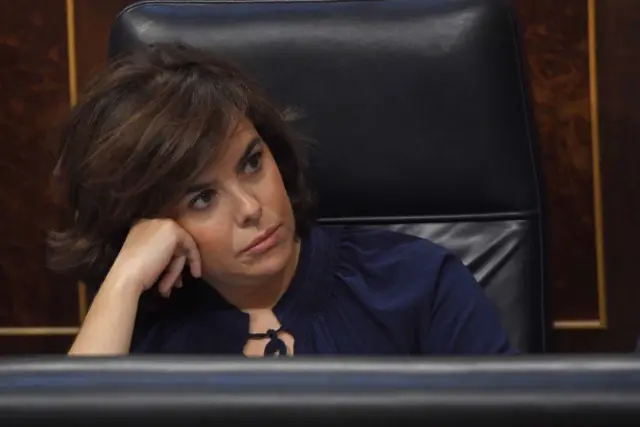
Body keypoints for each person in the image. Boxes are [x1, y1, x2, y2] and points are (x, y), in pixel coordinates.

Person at [48, 43, 515, 357]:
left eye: (251, 163)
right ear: (150, 223)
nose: (251, 208)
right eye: (203, 198)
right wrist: (124, 280)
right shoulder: (143, 335)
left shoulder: (418, 283)